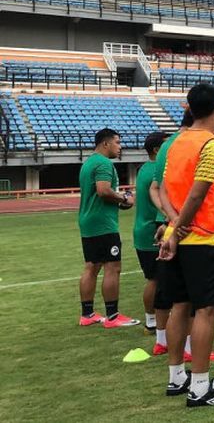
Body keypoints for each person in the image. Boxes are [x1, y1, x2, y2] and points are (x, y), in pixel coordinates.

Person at [158, 83, 214, 406]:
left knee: (180, 305)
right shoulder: (213, 144)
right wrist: (180, 229)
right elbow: (199, 192)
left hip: (175, 237)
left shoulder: (176, 143)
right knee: (206, 309)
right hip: (202, 238)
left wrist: (172, 228)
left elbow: (163, 190)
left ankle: (176, 377)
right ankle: (201, 386)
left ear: (190, 109)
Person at [78, 128, 138, 329]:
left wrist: (118, 201)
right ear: (106, 143)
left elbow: (98, 194)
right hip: (103, 224)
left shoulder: (89, 163)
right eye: (117, 142)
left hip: (88, 221)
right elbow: (103, 191)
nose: (120, 147)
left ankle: (87, 314)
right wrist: (125, 198)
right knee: (113, 266)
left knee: (92, 266)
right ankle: (112, 316)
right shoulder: (104, 163)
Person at [134, 132, 171, 349]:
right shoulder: (158, 172)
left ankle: (151, 322)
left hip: (141, 231)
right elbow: (161, 209)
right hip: (152, 231)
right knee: (157, 279)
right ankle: (156, 325)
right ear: (157, 150)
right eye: (166, 146)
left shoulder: (143, 169)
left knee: (152, 278)